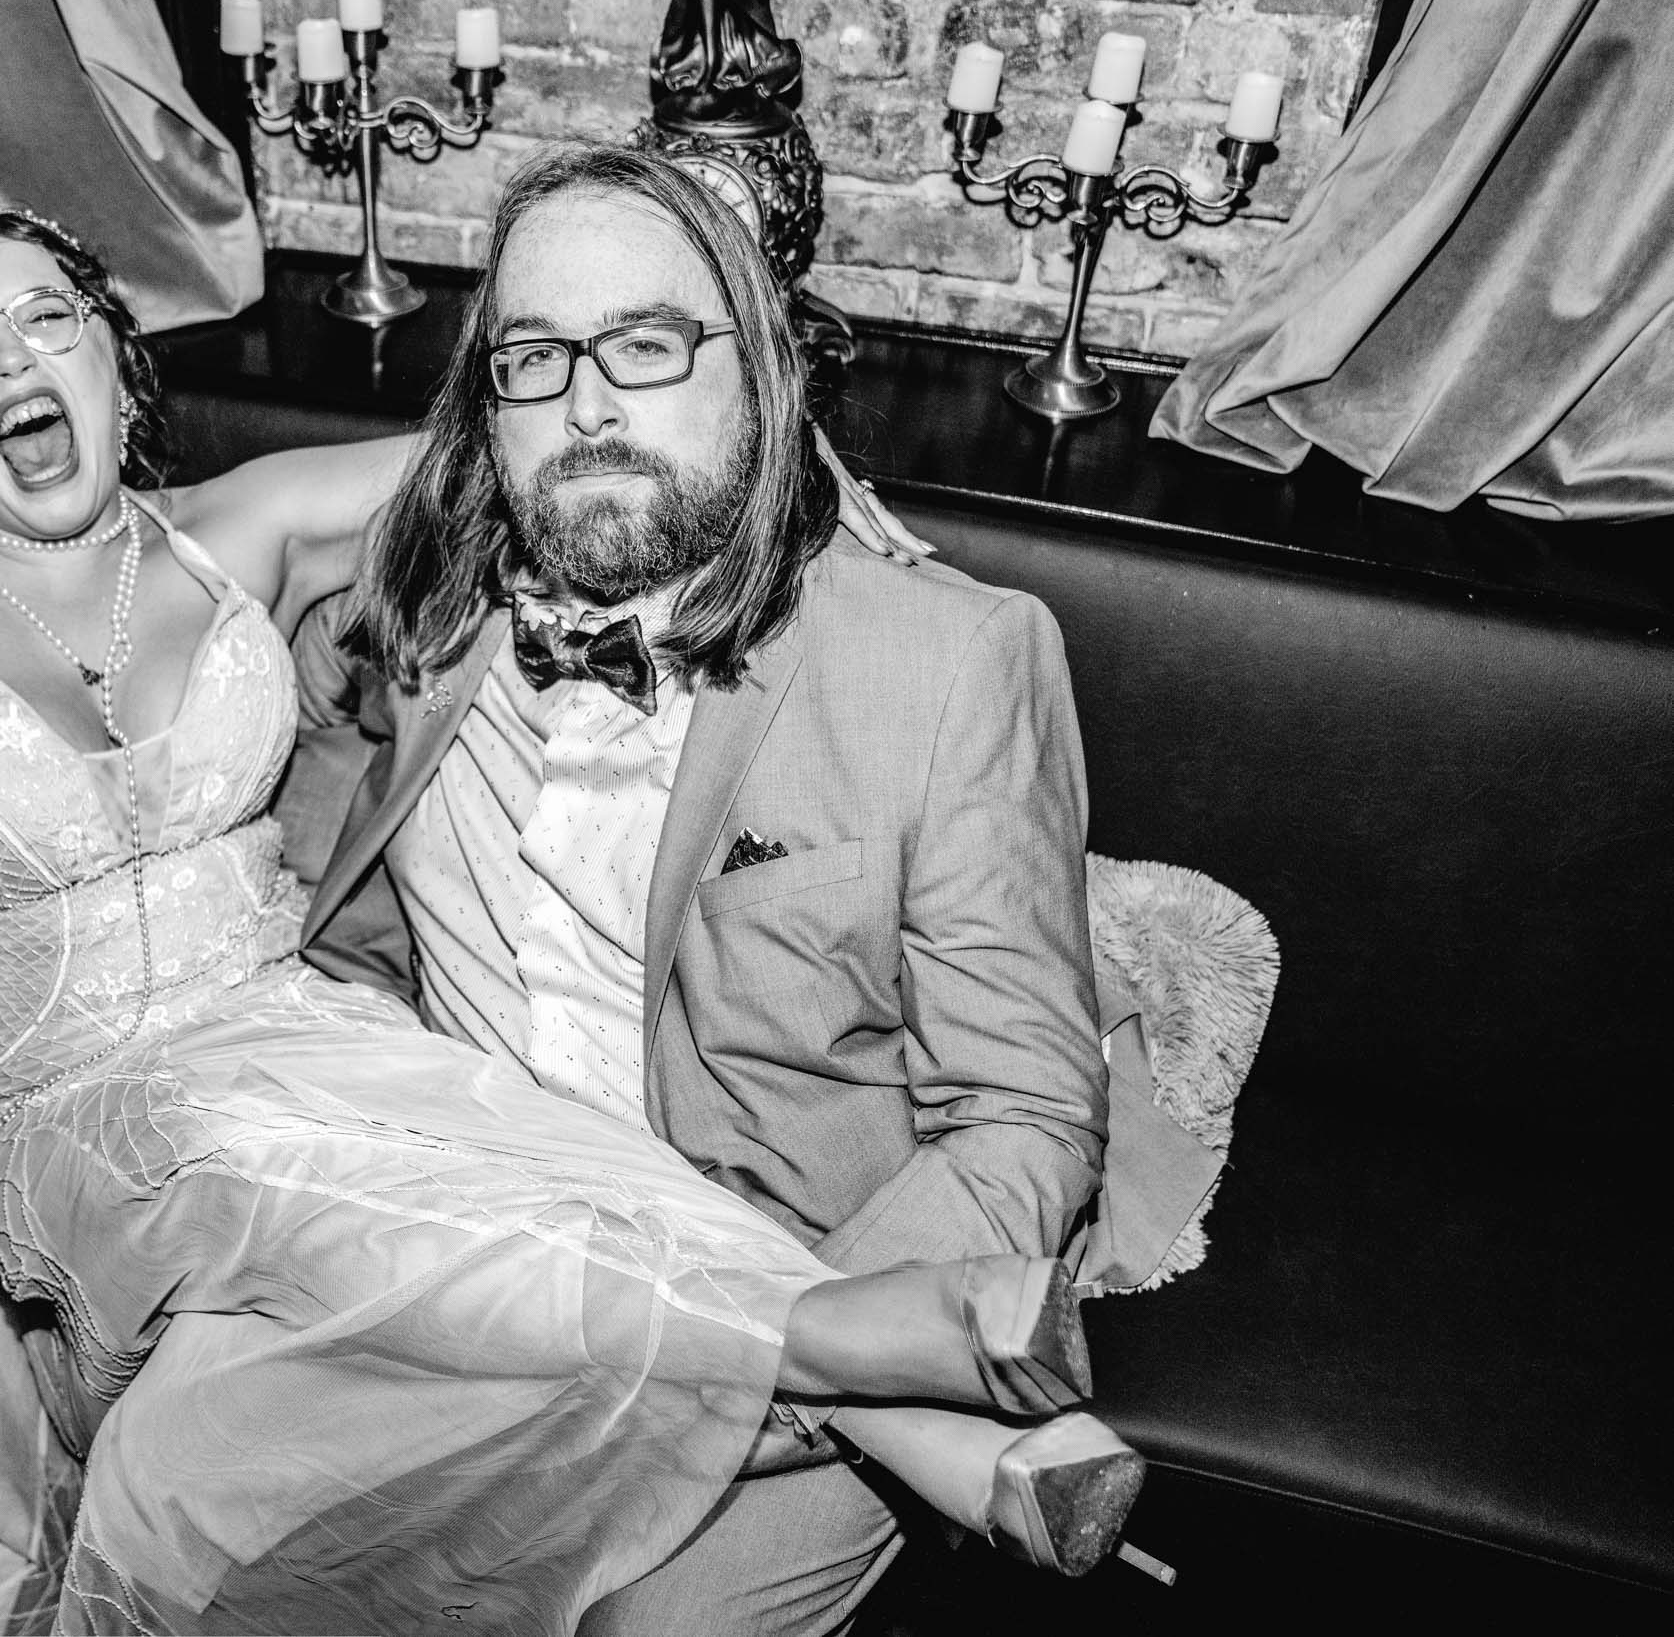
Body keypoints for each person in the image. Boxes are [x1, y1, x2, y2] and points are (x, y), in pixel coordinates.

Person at [0, 196, 1139, 1637]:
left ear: (110, 364)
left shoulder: (237, 534)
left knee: (456, 1153)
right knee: (266, 1171)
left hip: (278, 1039)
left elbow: (539, 432)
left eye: (44, 318)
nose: (6, 361)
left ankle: (936, 1428)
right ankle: (894, 1375)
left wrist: (791, 443)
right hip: (51, 1104)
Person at [297, 139, 1149, 1634]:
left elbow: (1016, 1120)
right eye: (536, 357)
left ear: (758, 369)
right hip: (477, 1268)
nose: (588, 404)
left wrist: (766, 1360)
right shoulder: (429, 609)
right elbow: (356, 942)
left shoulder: (951, 661)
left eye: (645, 342)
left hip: (805, 1292)